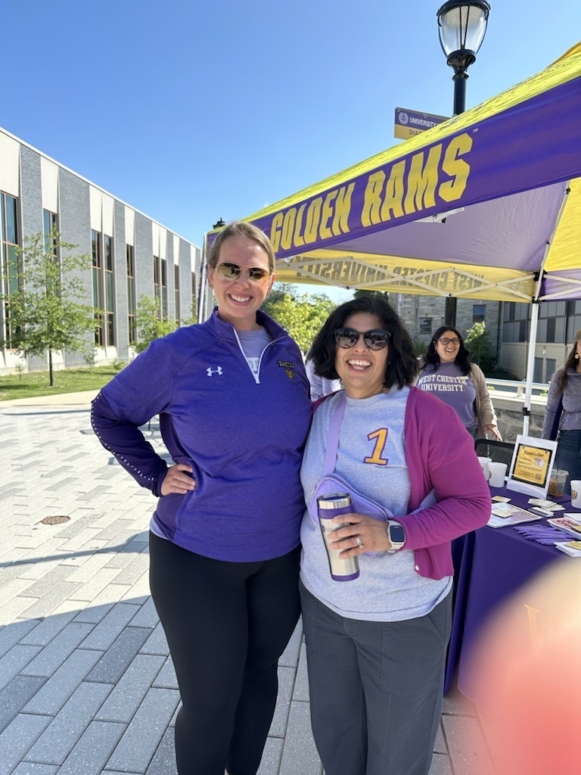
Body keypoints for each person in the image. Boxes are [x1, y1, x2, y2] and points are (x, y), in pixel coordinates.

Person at [91, 221, 312, 775]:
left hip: (280, 555)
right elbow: (108, 413)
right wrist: (153, 474)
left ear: (271, 279)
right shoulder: (179, 352)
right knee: (212, 699)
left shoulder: (290, 354)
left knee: (260, 680)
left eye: (255, 272)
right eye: (231, 270)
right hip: (195, 554)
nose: (243, 282)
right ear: (211, 276)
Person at [299, 297, 491, 775]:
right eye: (348, 336)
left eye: (375, 338)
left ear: (393, 349)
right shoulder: (321, 412)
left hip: (403, 613)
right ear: (333, 345)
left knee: (398, 754)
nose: (359, 348)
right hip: (325, 607)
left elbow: (474, 506)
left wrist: (394, 533)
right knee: (336, 738)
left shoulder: (426, 415)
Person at [416, 326, 501, 441]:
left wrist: (490, 421)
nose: (450, 345)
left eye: (455, 341)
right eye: (445, 341)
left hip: (466, 435)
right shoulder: (420, 366)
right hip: (427, 436)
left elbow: (484, 397)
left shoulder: (472, 369)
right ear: (436, 345)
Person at [542, 329, 581, 487]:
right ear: (576, 346)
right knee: (566, 490)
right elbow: (551, 411)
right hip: (569, 441)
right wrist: (545, 445)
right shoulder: (563, 375)